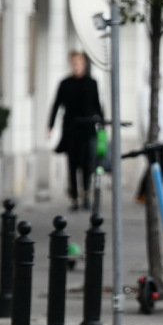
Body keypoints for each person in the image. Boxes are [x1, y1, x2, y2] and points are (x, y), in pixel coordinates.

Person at [47, 50, 104, 211]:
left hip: (87, 129)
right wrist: (50, 125)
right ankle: (74, 198)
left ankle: (86, 195)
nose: (76, 66)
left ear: (84, 64)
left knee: (87, 164)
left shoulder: (91, 83)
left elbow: (98, 105)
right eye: (74, 63)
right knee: (72, 164)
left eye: (79, 62)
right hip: (71, 129)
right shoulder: (65, 83)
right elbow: (56, 104)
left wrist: (103, 124)